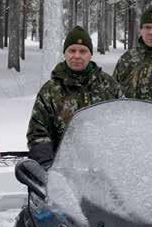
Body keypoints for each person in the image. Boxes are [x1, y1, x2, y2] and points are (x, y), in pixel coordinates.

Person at [27, 25, 122, 167]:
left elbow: (123, 125)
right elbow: (38, 134)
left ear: (90, 54)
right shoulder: (50, 90)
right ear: (65, 53)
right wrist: (47, 167)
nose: (77, 56)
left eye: (83, 51)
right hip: (63, 170)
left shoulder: (109, 86)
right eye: (72, 50)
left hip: (105, 168)